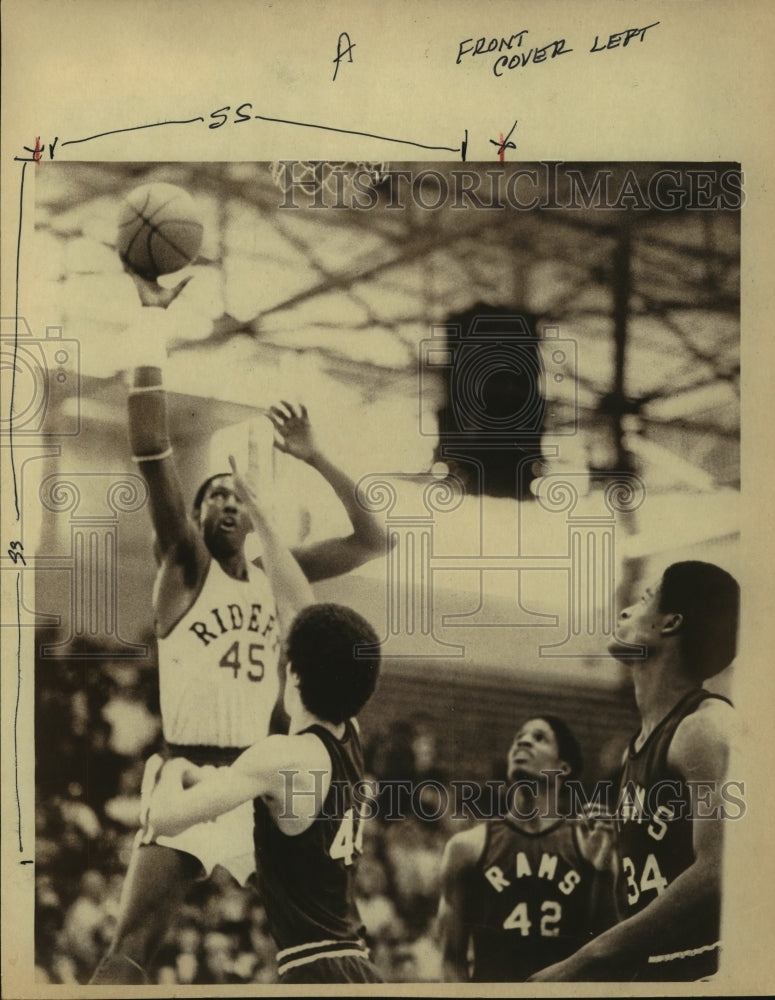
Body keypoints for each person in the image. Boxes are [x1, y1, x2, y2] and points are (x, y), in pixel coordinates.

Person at [91, 272, 390, 984]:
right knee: (133, 947)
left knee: (329, 935)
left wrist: (315, 457)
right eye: (212, 495)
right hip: (194, 773)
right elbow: (148, 442)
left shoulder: (270, 569)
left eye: (235, 493)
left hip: (267, 777)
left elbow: (375, 539)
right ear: (191, 520)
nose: (226, 501)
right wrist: (149, 321)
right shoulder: (185, 567)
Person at [145, 455, 383, 984]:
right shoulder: (348, 737)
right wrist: (261, 511)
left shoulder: (279, 758)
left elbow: (165, 821)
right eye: (217, 497)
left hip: (314, 969)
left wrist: (173, 773)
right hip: (355, 959)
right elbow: (302, 608)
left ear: (291, 670)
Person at [530, 560, 740, 981]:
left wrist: (582, 962)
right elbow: (643, 908)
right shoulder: (638, 746)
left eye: (644, 599)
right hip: (651, 976)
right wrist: (604, 867)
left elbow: (721, 870)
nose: (625, 610)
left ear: (669, 623)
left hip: (705, 974)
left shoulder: (704, 727)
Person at [438, 715, 616, 982]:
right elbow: (452, 961)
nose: (523, 741)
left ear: (563, 767)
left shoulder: (589, 846)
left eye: (539, 737)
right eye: (519, 737)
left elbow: (607, 952)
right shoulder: (466, 848)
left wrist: (601, 871)